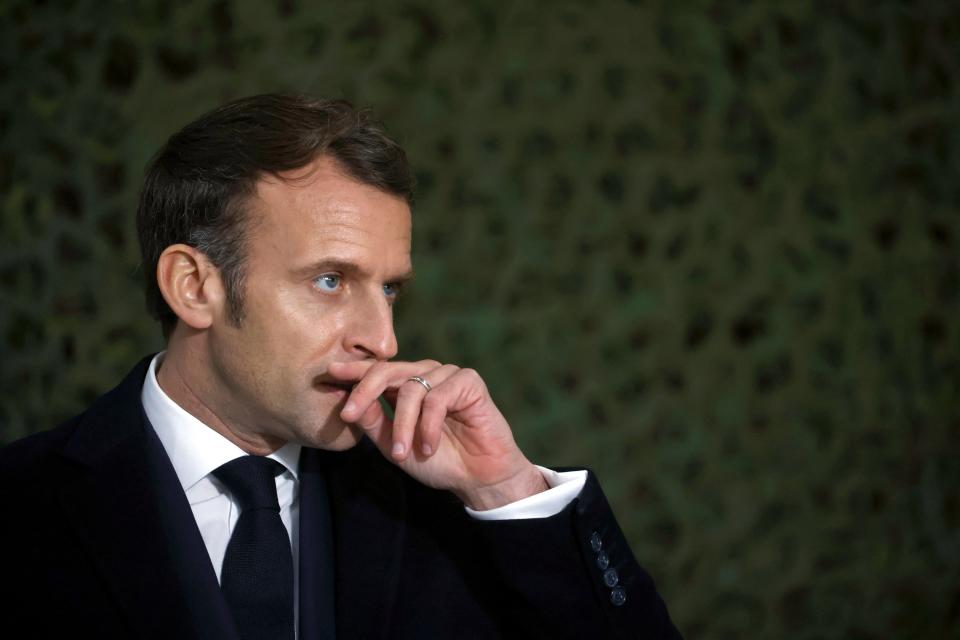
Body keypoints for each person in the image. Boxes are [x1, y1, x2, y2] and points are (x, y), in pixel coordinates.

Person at [0, 94, 681, 639]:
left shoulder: (444, 513)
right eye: (330, 281)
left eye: (389, 288)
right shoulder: (20, 508)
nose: (382, 339)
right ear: (193, 287)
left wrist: (507, 490)